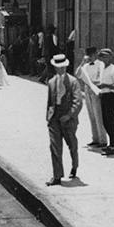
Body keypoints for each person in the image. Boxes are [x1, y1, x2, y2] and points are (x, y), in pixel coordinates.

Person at [45, 53, 82, 185]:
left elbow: (78, 102)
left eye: (63, 68)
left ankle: (74, 167)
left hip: (68, 117)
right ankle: (57, 176)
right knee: (55, 147)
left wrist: (69, 115)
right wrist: (49, 118)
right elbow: (50, 102)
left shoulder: (73, 82)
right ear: (55, 68)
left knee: (72, 144)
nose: (61, 70)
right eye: (58, 68)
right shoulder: (51, 82)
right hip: (55, 117)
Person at [76, 47, 106, 147]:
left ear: (95, 54)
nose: (90, 57)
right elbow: (77, 73)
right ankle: (95, 138)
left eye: (91, 54)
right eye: (88, 55)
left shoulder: (100, 64)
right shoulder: (86, 65)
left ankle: (103, 140)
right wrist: (82, 62)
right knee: (91, 114)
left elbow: (102, 78)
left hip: (96, 88)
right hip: (87, 89)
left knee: (98, 114)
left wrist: (94, 83)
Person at [96, 48, 114, 155]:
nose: (104, 59)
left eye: (106, 56)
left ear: (110, 57)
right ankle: (110, 144)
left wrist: (106, 86)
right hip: (103, 96)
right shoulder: (102, 68)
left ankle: (113, 146)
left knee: (111, 121)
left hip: (111, 97)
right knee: (105, 121)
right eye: (102, 57)